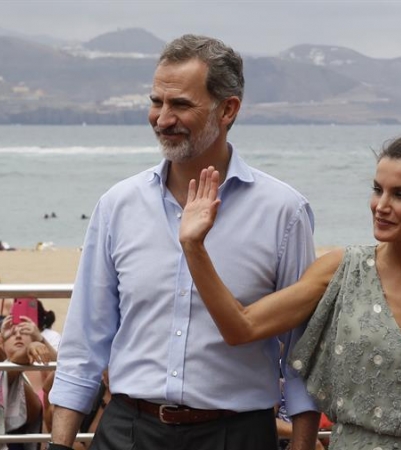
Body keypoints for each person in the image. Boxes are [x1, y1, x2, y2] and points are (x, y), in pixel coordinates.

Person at [49, 34, 320, 450]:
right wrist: (58, 444)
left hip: (236, 436)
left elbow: (301, 352)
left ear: (228, 109)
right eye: (157, 101)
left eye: (180, 105)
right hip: (128, 431)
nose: (162, 118)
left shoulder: (283, 212)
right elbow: (85, 340)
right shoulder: (118, 205)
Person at [179, 134, 401, 449]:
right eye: (377, 190)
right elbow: (241, 326)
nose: (380, 206)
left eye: (400, 195)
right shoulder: (341, 270)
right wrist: (193, 247)